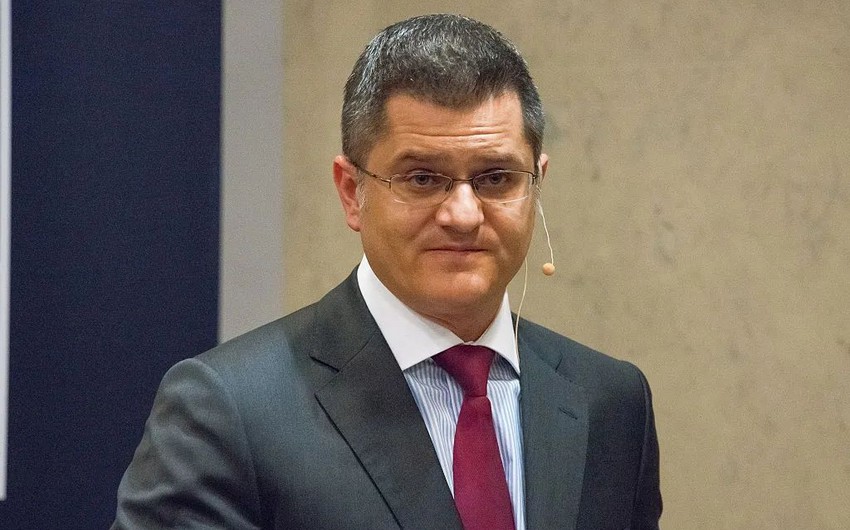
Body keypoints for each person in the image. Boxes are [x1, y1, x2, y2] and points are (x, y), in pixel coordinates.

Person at [113, 13, 662, 530]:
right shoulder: (227, 409)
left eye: (496, 178)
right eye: (422, 179)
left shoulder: (611, 402)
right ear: (352, 192)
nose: (463, 215)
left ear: (537, 183)